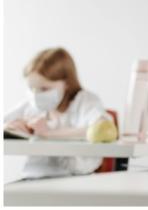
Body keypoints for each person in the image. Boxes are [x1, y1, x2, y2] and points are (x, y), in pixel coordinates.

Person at [4, 48, 108, 179]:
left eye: (44, 88)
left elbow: (102, 129)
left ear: (67, 83)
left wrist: (47, 134)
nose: (36, 95)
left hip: (74, 179)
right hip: (32, 178)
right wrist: (14, 127)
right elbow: (5, 122)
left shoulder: (85, 101)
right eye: (31, 88)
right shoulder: (30, 106)